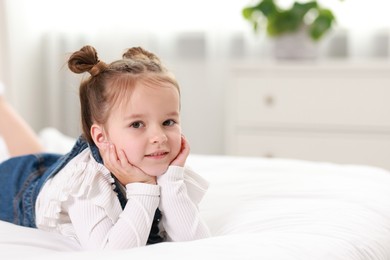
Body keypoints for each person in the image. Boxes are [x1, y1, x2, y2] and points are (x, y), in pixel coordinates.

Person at [0, 45, 210, 250]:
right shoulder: (88, 186)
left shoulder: (165, 167)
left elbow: (196, 244)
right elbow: (109, 252)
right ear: (102, 137)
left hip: (56, 169)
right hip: (18, 188)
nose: (159, 137)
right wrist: (144, 187)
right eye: (137, 124)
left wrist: (171, 183)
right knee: (32, 164)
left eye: (168, 122)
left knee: (39, 158)